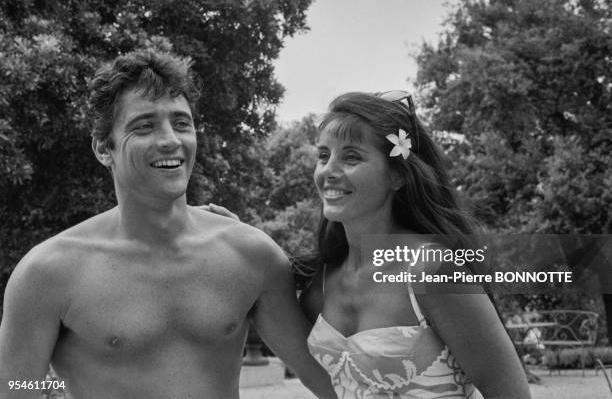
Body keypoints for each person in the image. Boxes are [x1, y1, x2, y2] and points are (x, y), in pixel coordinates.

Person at [0, 49, 335, 399]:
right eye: (144, 126)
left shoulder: (251, 255)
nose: (170, 141)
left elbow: (328, 381)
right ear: (103, 148)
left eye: (181, 123)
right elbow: (15, 388)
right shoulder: (47, 273)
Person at [299, 91, 532, 398]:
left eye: (351, 156)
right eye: (324, 156)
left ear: (397, 175)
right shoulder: (320, 283)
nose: (329, 171)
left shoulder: (433, 269)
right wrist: (231, 228)